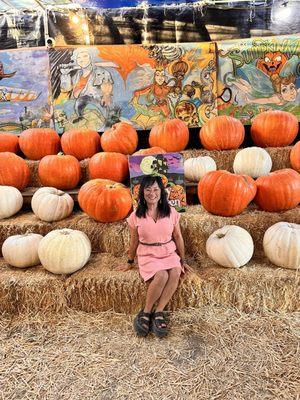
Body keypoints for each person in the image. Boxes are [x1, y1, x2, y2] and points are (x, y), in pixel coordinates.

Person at [116, 175, 192, 338]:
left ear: (161, 192)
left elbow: (178, 237)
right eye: (148, 189)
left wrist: (182, 260)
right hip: (148, 254)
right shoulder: (135, 216)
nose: (152, 193)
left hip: (168, 252)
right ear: (142, 192)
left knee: (175, 272)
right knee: (161, 275)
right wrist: (130, 261)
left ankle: (159, 311)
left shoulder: (171, 212)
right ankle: (146, 311)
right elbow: (134, 240)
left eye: (156, 189)